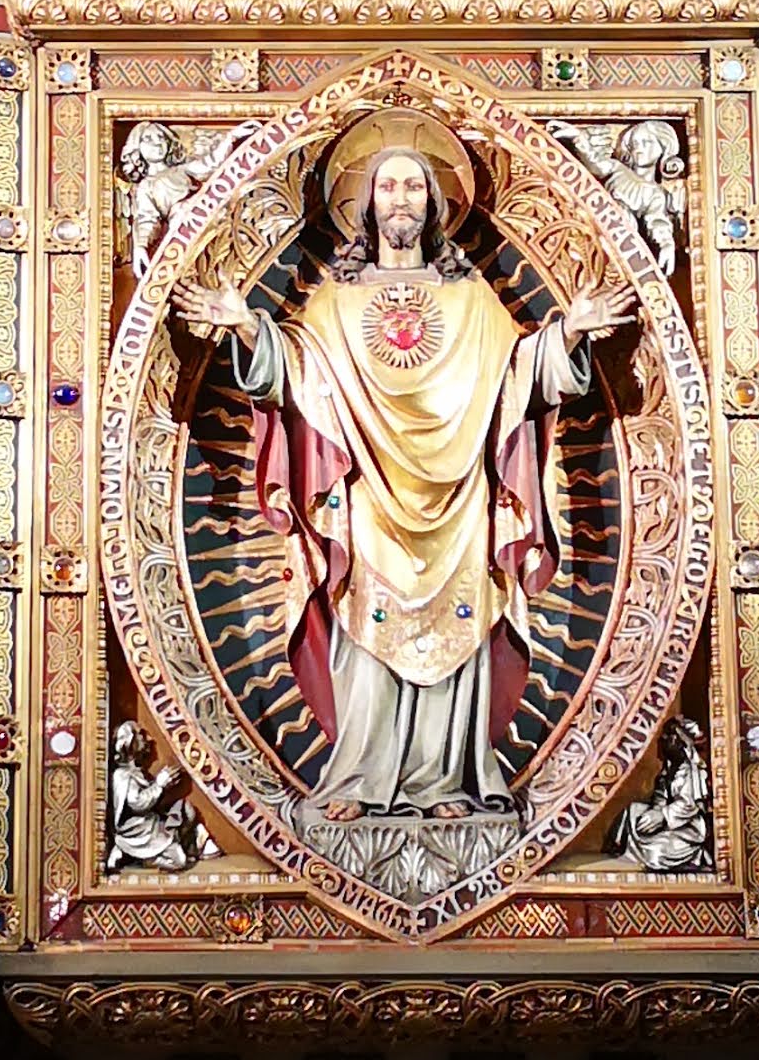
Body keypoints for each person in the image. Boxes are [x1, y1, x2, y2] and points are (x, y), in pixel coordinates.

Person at [172, 114, 634, 817]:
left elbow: (514, 372)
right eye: (388, 186)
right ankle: (361, 778)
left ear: (434, 203)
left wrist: (566, 332)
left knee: (458, 626)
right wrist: (245, 326)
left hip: (459, 497)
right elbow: (299, 371)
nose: (401, 199)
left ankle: (445, 782)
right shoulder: (336, 299)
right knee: (368, 625)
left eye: (414, 187)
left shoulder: (470, 297)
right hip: (368, 492)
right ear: (367, 203)